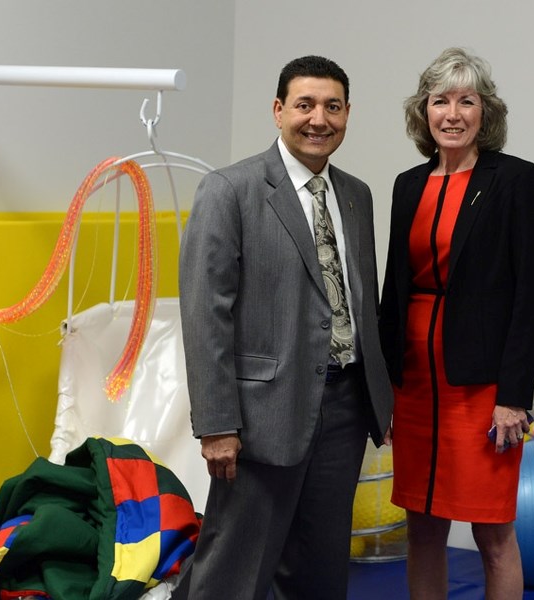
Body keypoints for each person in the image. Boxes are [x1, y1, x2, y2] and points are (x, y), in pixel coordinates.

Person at [175, 55, 393, 600]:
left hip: (343, 409)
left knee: (320, 571)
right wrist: (217, 423)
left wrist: (380, 400)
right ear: (278, 111)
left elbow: (361, 303)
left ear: (347, 115)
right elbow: (206, 316)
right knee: (234, 570)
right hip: (258, 420)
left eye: (333, 106)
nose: (319, 119)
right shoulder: (230, 191)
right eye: (305, 105)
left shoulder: (357, 195)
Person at [379, 47, 534, 599]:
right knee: (421, 528)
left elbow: (530, 297)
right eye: (440, 101)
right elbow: (393, 292)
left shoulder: (516, 179)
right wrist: (382, 393)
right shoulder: (408, 184)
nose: (452, 113)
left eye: (466, 101)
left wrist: (514, 396)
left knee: (492, 531)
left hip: (482, 387)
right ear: (423, 113)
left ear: (485, 112)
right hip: (415, 384)